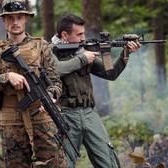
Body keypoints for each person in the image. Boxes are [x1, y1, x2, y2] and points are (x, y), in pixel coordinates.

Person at [0, 0, 67, 168]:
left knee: (53, 164)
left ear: (25, 18)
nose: (15, 22)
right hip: (12, 122)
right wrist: (6, 77)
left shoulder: (42, 46)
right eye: (10, 17)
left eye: (19, 17)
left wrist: (51, 95)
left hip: (43, 117)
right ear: (3, 20)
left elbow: (55, 82)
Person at [50, 14, 141, 168]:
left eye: (83, 33)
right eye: (79, 34)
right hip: (65, 114)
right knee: (63, 163)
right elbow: (56, 69)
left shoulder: (81, 50)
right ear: (65, 35)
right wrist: (83, 59)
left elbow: (110, 73)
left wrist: (123, 53)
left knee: (108, 161)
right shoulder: (48, 51)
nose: (83, 38)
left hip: (89, 113)